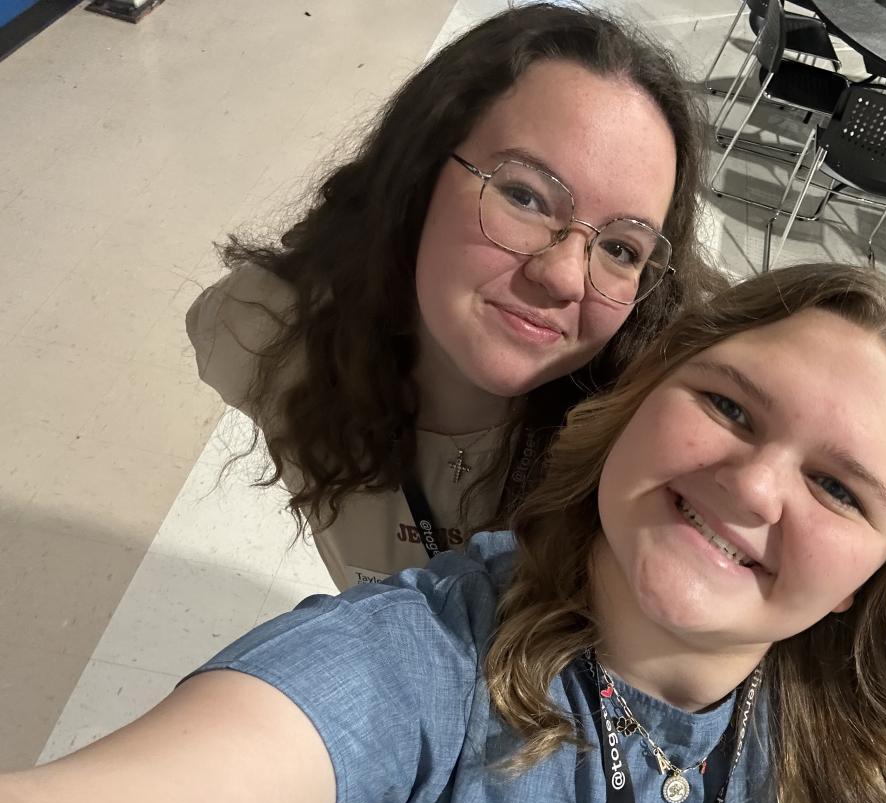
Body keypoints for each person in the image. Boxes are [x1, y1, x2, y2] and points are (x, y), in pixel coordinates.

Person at [1, 264, 886, 803]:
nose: (755, 486)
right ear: (642, 400)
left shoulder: (866, 753)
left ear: (865, 581)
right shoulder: (417, 664)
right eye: (729, 407)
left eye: (838, 489)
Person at [186, 3, 721, 590]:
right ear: (418, 175)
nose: (566, 277)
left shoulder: (652, 450)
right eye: (525, 196)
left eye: (621, 249)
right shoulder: (266, 330)